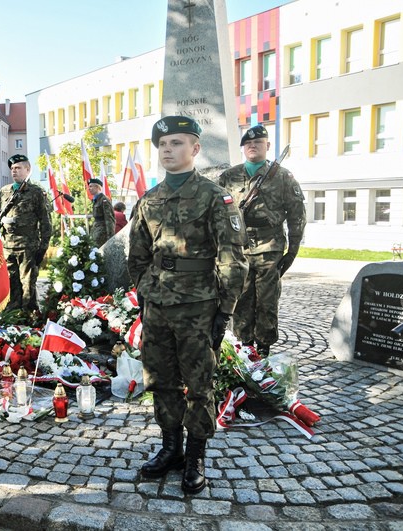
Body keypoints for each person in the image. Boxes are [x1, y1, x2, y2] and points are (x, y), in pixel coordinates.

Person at [128, 116, 248, 494]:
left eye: (176, 143)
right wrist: (146, 293)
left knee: (198, 384)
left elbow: (233, 258)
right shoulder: (149, 199)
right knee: (160, 380)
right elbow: (138, 255)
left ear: (195, 149)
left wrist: (224, 311)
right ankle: (171, 448)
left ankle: (195, 455)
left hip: (199, 306)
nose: (168, 150)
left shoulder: (215, 198)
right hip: (158, 306)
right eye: (162, 144)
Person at [218, 125, 306, 357]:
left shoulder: (283, 177)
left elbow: (297, 215)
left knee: (267, 300)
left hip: (270, 247)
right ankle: (244, 345)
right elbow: (216, 213)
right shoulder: (229, 177)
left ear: (267, 146)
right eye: (248, 144)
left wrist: (292, 251)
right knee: (242, 298)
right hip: (239, 247)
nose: (252, 146)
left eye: (258, 143)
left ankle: (264, 346)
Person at [0, 154, 52, 313]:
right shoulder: (4, 192)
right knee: (10, 283)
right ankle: (12, 317)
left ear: (27, 170)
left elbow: (45, 221)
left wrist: (43, 247)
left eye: (18, 168)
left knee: (28, 286)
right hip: (8, 247)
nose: (14, 171)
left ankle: (30, 319)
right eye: (12, 168)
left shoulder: (36, 192)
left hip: (28, 247)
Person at [87, 178, 114, 246]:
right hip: (96, 230)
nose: (89, 188)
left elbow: (109, 219)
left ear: (97, 187)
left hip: (102, 232)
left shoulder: (104, 200)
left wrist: (110, 237)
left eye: (91, 186)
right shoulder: (96, 200)